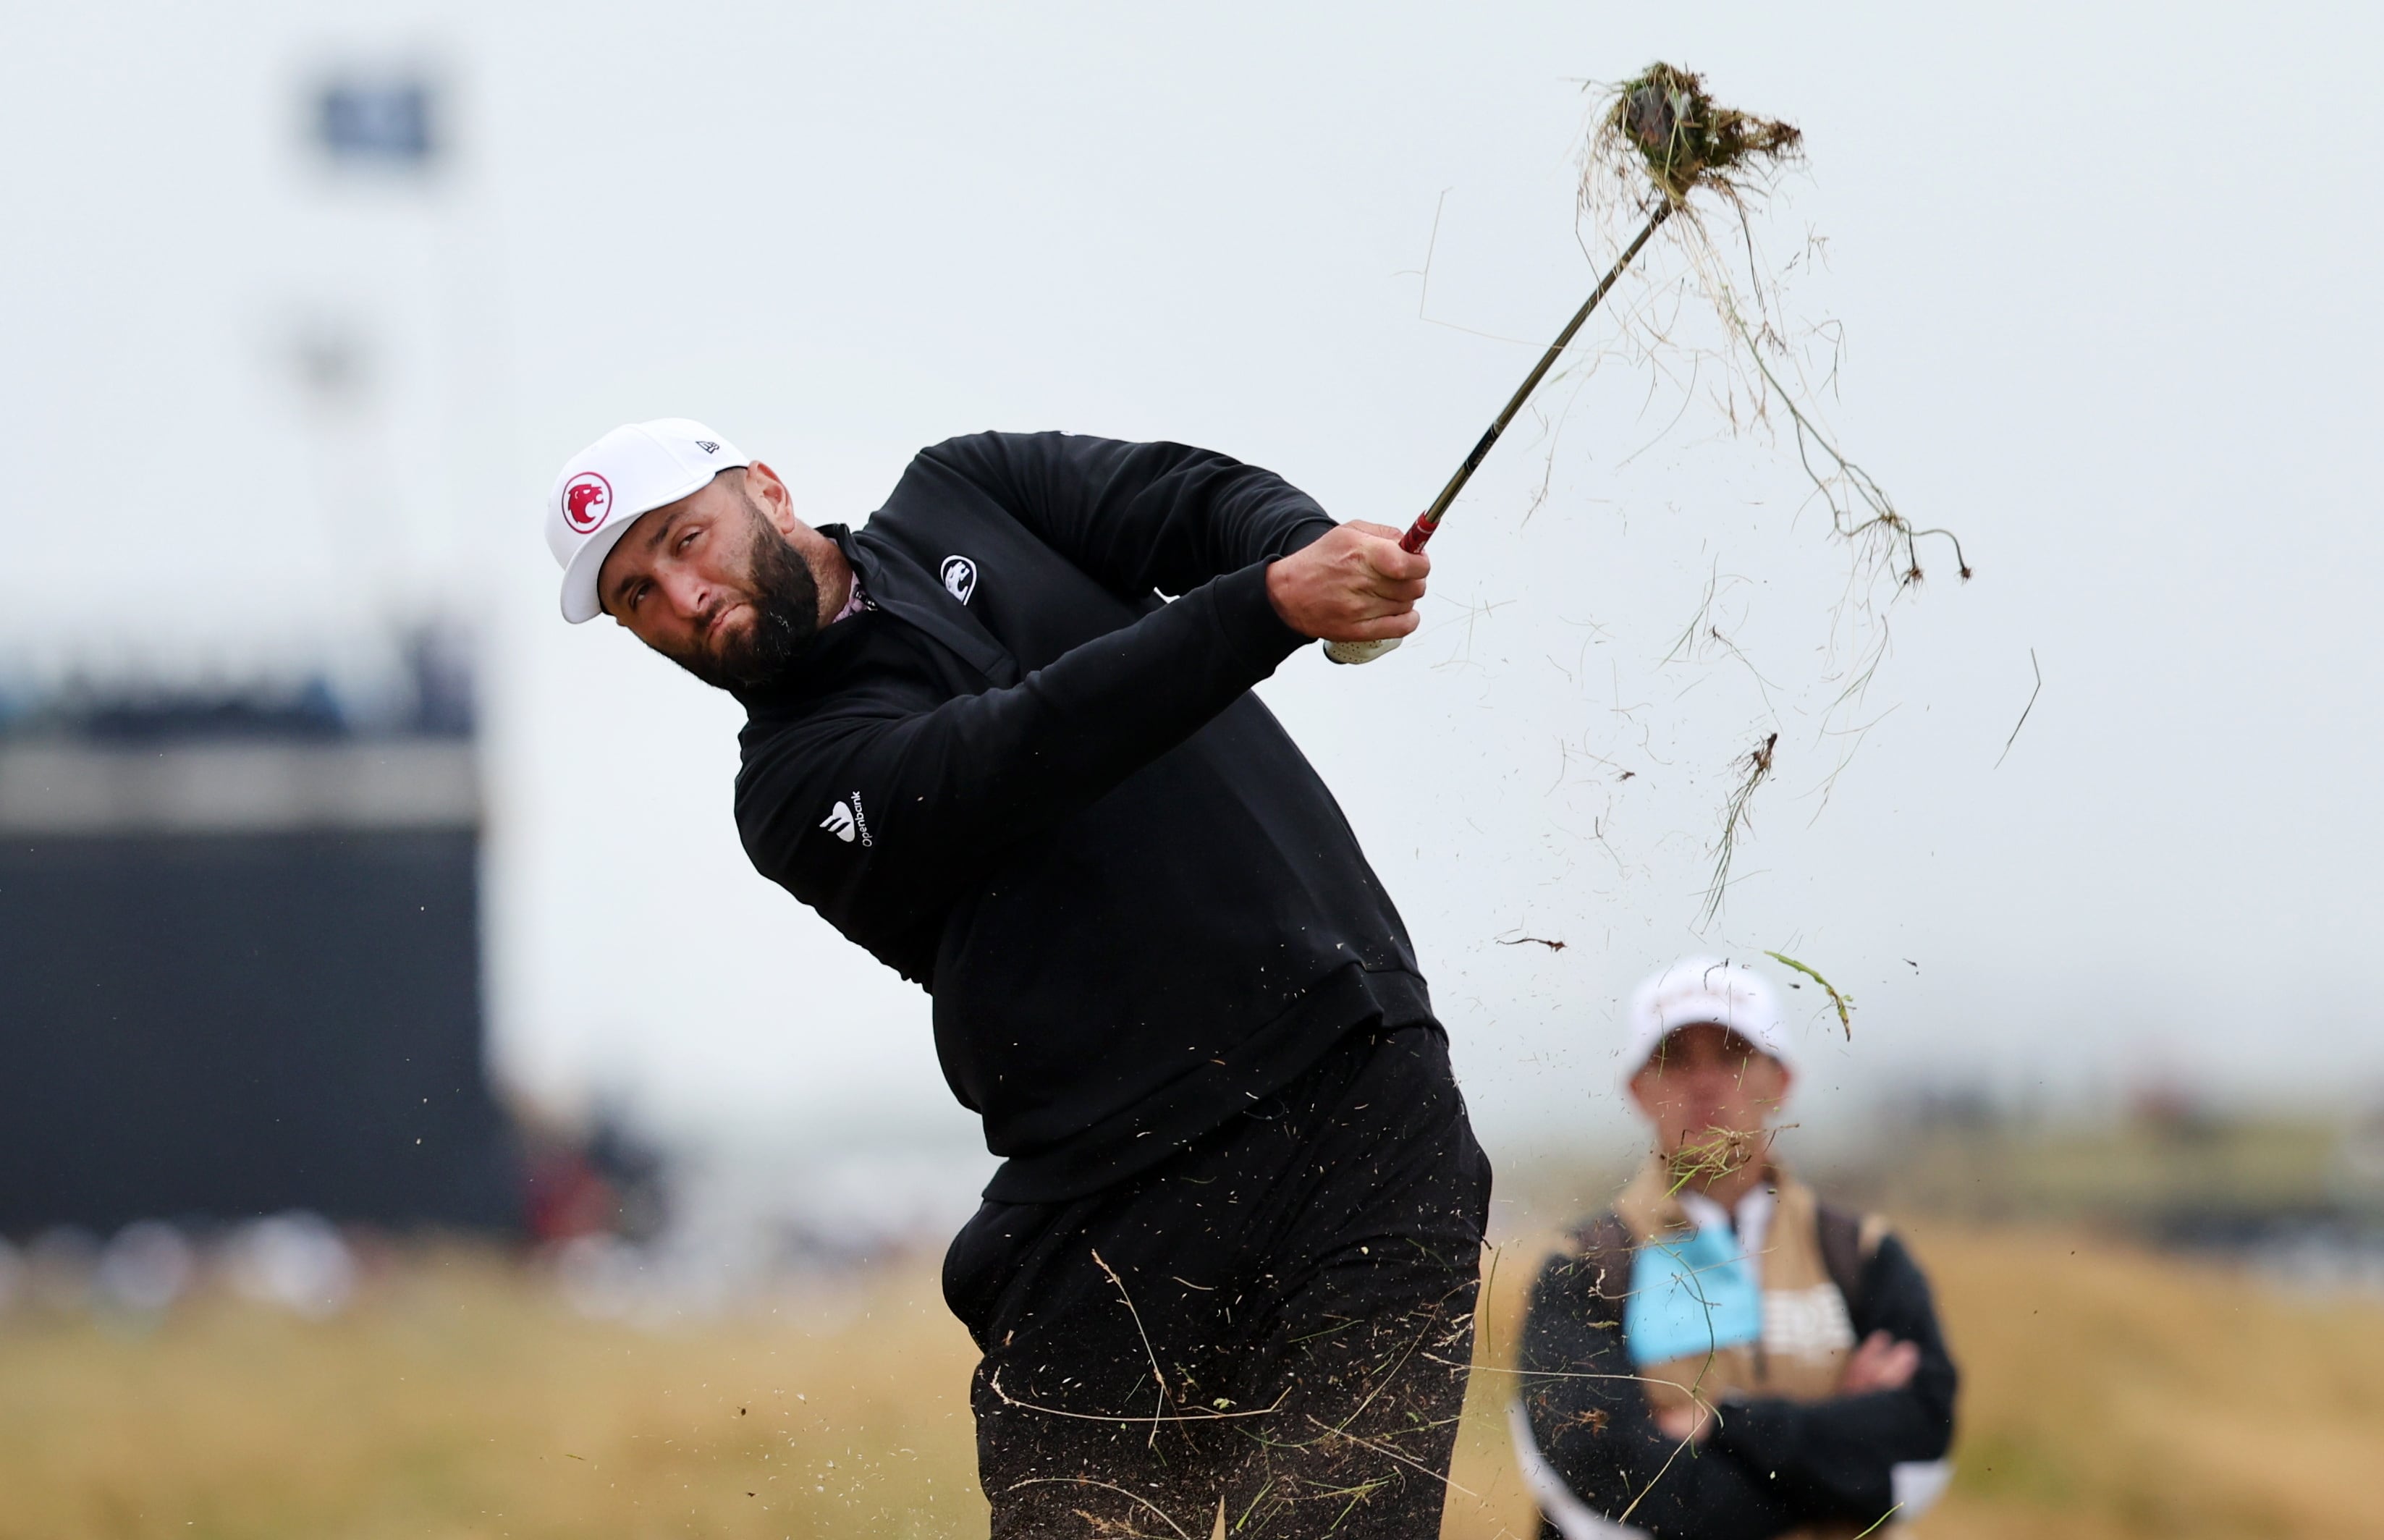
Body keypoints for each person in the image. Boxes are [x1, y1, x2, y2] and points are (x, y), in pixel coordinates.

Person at [543, 419, 1491, 1537]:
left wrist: (1317, 554)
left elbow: (1187, 501)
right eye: (636, 597)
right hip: (1116, 1208)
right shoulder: (793, 794)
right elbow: (1025, 749)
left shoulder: (972, 488)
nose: (681, 597)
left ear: (767, 489)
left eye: (684, 541)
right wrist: (1272, 604)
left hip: (1363, 1098)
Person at [1511, 957, 1957, 1539]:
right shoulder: (1584, 1266)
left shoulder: (1864, 1255)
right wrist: (1830, 1450)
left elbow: (1919, 1449)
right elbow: (1597, 1478)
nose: (1704, 1082)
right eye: (1674, 1059)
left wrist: (1721, 1428)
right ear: (1638, 1090)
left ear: (1782, 1081)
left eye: (1732, 1055)